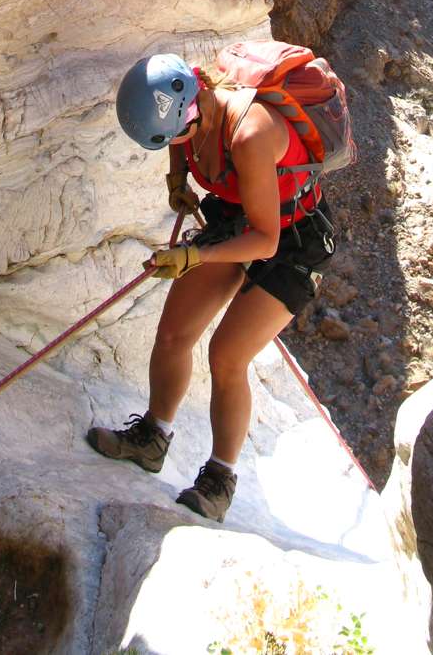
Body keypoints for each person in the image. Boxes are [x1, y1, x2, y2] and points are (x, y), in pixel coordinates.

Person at [86, 52, 336, 522]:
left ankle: (220, 479)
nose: (175, 143)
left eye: (176, 134)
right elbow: (179, 140)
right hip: (235, 217)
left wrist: (193, 256)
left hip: (293, 242)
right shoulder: (193, 106)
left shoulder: (250, 134)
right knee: (173, 334)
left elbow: (265, 241)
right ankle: (151, 439)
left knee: (227, 356)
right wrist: (177, 178)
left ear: (193, 110)